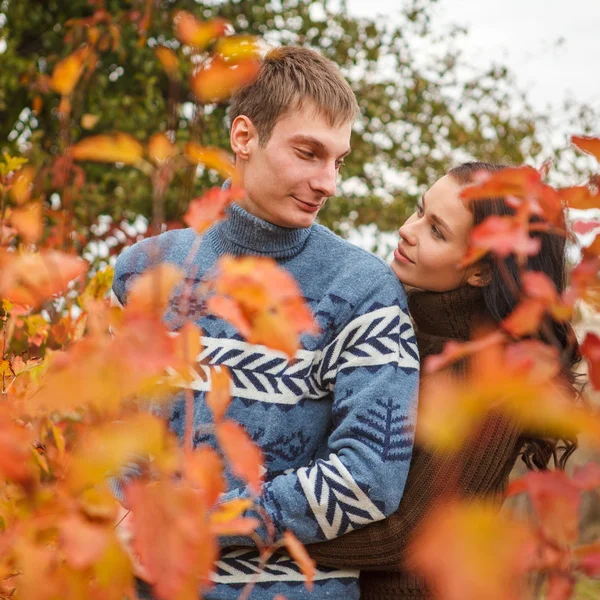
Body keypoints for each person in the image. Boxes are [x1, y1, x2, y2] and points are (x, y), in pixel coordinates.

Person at [111, 46, 419, 600]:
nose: (329, 182)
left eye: (338, 160)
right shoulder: (147, 269)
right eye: (308, 153)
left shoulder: (363, 290)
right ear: (244, 137)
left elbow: (370, 475)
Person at [306, 161, 580, 599]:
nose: (406, 230)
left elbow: (407, 535)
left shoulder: (494, 380)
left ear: (481, 272)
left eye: (436, 231)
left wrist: (253, 534)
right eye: (419, 210)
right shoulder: (396, 331)